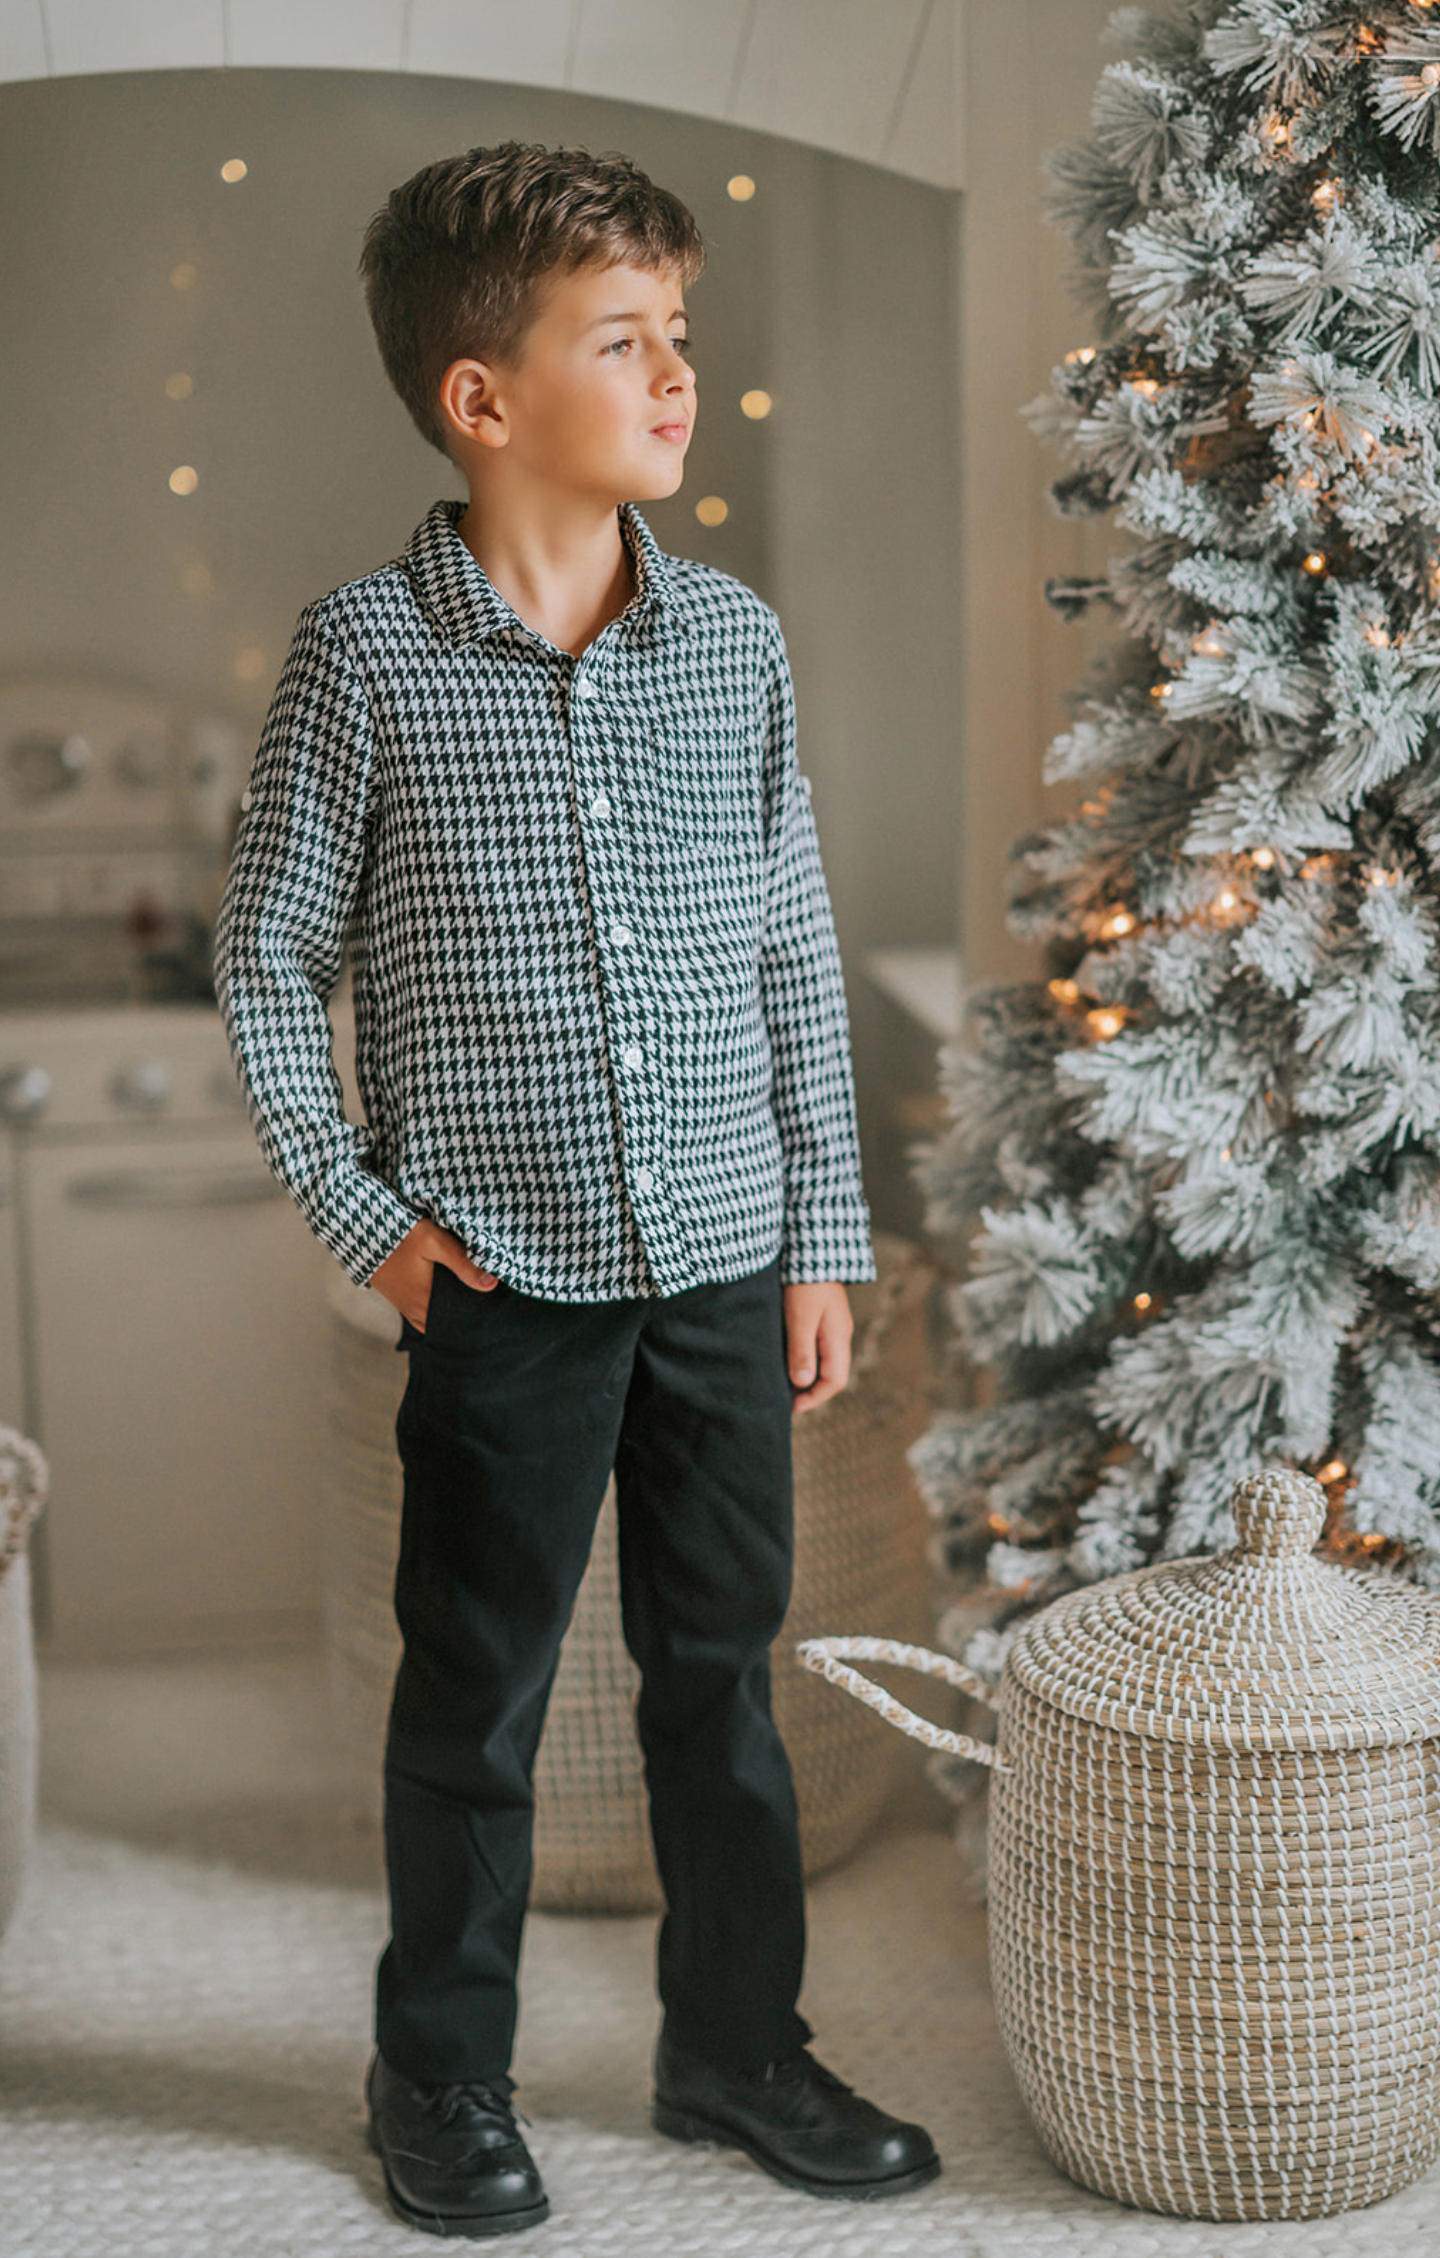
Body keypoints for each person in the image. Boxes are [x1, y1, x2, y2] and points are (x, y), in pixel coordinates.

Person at [214, 140, 939, 2238]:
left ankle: (737, 2051)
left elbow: (794, 946)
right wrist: (368, 1222)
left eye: (680, 334)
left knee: (724, 1681)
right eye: (624, 340)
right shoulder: (363, 659)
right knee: (479, 1703)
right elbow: (269, 967)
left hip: (723, 1256)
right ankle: (437, 2074)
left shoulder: (733, 648)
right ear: (483, 396)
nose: (676, 373)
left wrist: (823, 1229)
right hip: (501, 1283)